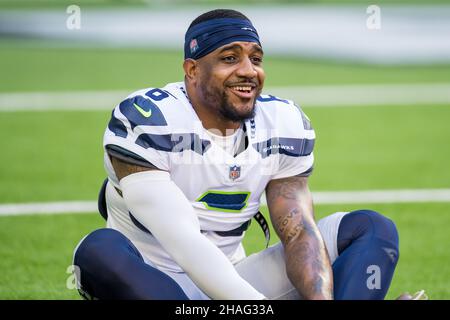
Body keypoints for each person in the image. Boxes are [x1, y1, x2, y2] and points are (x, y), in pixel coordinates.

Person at [73, 9, 422, 300]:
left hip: (234, 279)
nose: (248, 71)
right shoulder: (149, 119)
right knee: (97, 252)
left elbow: (299, 233)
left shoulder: (284, 123)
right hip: (153, 280)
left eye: (255, 58)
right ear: (192, 71)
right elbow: (185, 243)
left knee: (371, 228)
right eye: (229, 58)